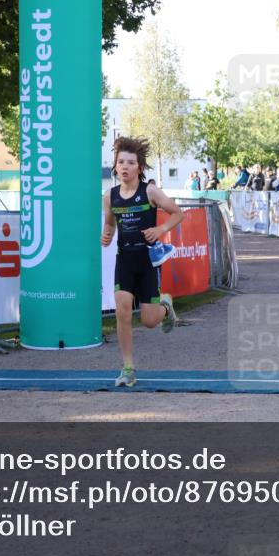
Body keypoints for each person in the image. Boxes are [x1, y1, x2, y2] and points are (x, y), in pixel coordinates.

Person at [101, 136, 183, 388]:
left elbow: (178, 214)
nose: (124, 167)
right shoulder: (110, 196)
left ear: (139, 167)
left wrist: (160, 230)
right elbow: (110, 223)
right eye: (120, 162)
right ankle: (128, 368)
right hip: (124, 258)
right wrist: (106, 234)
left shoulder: (149, 191)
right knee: (123, 310)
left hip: (148, 261)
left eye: (130, 162)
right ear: (115, 166)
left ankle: (166, 307)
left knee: (148, 321)